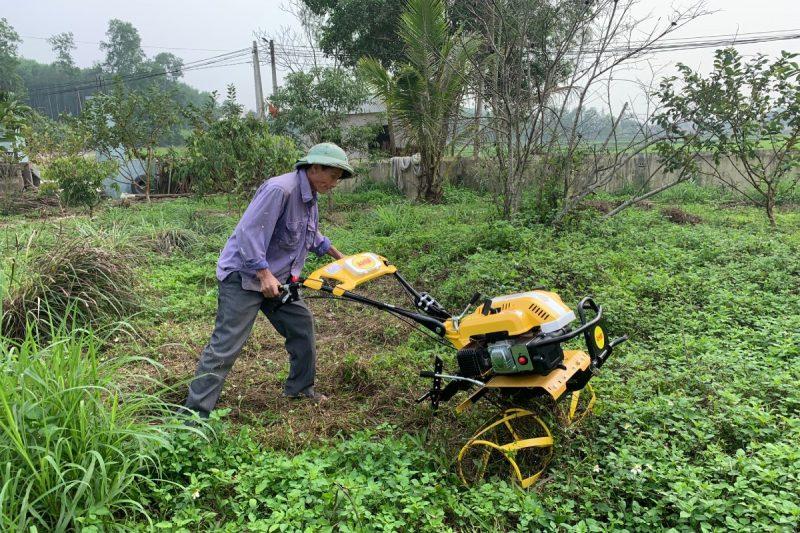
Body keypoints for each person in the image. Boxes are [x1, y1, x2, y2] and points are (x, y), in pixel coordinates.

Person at [184, 142, 354, 418]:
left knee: (301, 325)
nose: (335, 183)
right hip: (246, 277)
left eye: (338, 178)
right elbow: (248, 234)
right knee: (226, 345)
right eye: (333, 176)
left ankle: (300, 389)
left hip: (278, 279)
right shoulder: (280, 189)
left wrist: (340, 257)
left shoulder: (309, 195)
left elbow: (311, 234)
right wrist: (263, 274)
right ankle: (194, 415)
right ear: (314, 167)